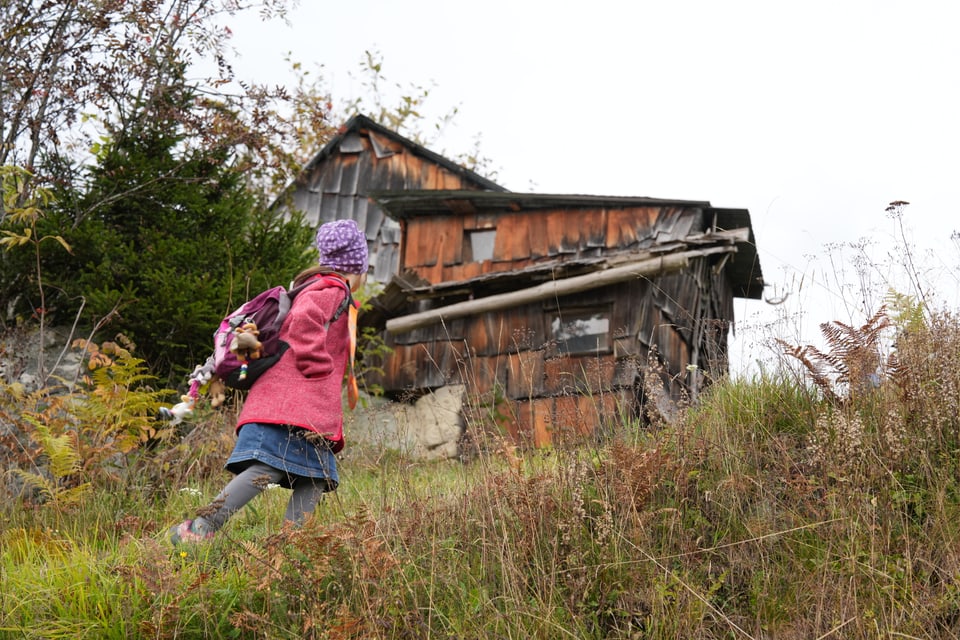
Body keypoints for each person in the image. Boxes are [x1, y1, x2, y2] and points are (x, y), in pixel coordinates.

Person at [170, 219, 368, 544]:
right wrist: (318, 365)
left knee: (315, 478)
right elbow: (304, 322)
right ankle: (197, 530)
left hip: (299, 410)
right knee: (267, 470)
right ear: (355, 266)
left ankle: (286, 550)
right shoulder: (332, 288)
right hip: (291, 407)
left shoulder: (315, 286)